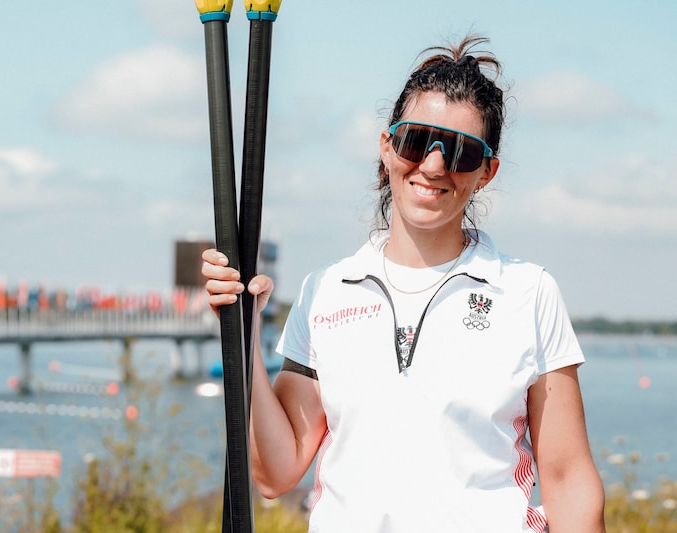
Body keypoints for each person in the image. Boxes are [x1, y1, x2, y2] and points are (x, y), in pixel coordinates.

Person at [202, 34, 605, 532]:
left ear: (487, 172)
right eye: (417, 140)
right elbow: (274, 473)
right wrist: (240, 330)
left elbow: (567, 478)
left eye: (461, 152)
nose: (433, 165)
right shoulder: (326, 290)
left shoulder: (528, 292)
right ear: (388, 146)